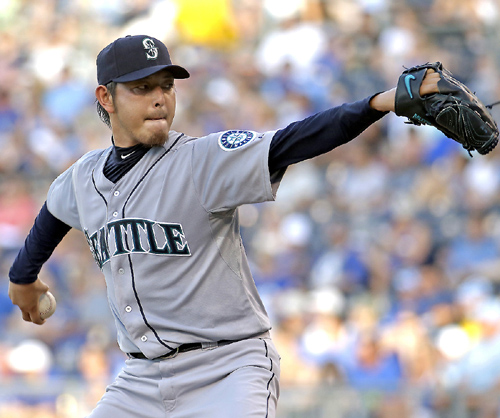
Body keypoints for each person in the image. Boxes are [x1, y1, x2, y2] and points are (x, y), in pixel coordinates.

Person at [8, 34, 440, 417]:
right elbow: (51, 215)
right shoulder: (83, 177)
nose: (160, 99)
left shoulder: (201, 160)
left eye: (166, 86)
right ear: (106, 97)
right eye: (142, 88)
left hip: (227, 368)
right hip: (140, 379)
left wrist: (378, 104)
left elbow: (291, 141)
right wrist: (23, 277)